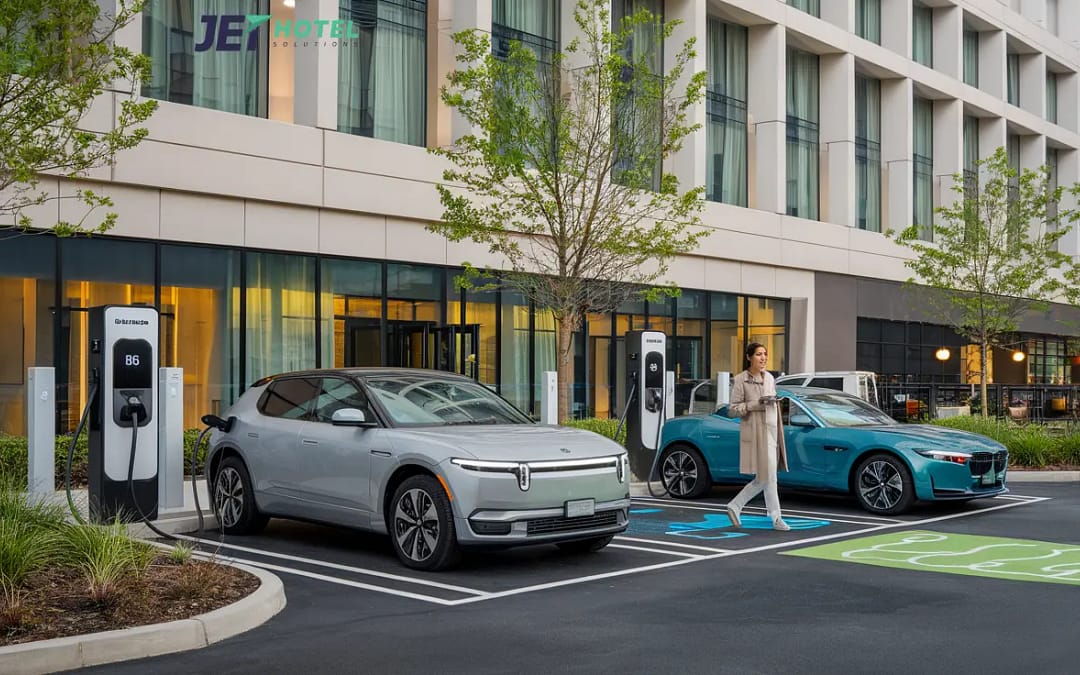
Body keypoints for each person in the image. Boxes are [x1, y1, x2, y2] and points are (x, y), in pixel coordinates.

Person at [725, 342, 790, 531]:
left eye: (765, 354)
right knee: (767, 476)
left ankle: (738, 506)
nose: (763, 358)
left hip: (772, 430)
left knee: (768, 476)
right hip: (755, 432)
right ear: (749, 357)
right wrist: (755, 405)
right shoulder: (741, 380)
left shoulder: (769, 378)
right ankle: (775, 517)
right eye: (759, 354)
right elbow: (732, 410)